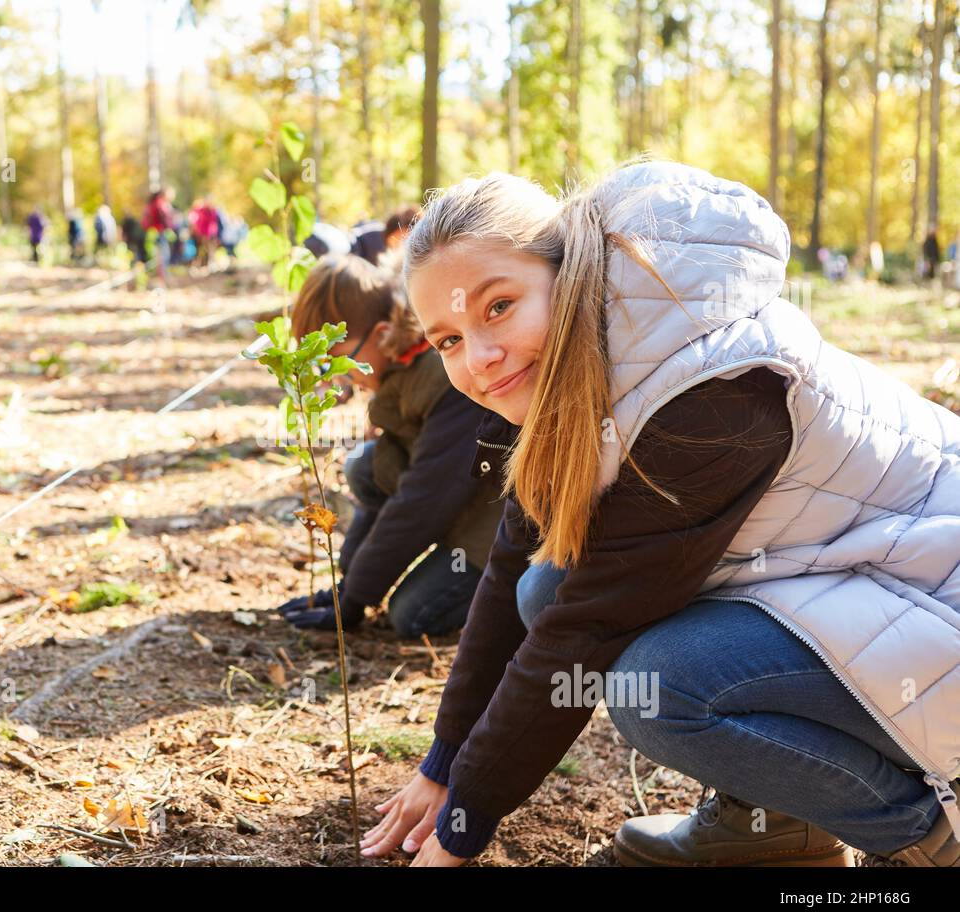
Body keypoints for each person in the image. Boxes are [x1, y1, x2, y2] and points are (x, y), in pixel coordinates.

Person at [361, 160, 960, 867]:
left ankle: (927, 837)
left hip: (933, 603)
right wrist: (443, 762)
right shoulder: (574, 369)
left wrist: (462, 826)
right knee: (541, 585)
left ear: (571, 270)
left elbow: (588, 629)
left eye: (498, 306)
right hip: (852, 583)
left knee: (662, 686)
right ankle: (778, 828)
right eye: (448, 341)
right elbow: (509, 569)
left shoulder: (707, 388)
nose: (481, 359)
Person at [275, 254, 505, 641]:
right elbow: (392, 476)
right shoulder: (399, 363)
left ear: (382, 333)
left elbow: (423, 500)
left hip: (497, 521)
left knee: (411, 616)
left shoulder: (444, 375)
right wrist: (348, 585)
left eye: (337, 360)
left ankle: (504, 589)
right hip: (458, 497)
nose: (334, 374)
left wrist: (354, 600)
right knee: (365, 466)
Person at [348, 205, 421, 266]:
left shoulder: (394, 251)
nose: (403, 242)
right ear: (395, 229)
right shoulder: (367, 238)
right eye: (404, 236)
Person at [188, 197, 220, 269]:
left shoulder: (213, 211)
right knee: (200, 249)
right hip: (202, 233)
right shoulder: (201, 211)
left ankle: (210, 264)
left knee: (210, 249)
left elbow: (214, 222)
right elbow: (198, 222)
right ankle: (198, 264)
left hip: (211, 234)